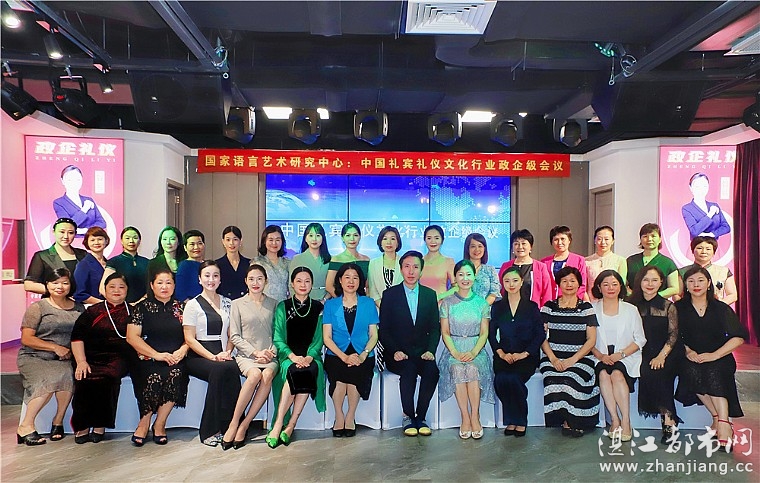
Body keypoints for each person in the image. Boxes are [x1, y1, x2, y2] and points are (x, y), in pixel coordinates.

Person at [675, 267, 747, 452]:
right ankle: (719, 419)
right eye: (691, 281)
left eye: (700, 280)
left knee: (714, 370)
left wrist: (715, 355)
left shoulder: (720, 308)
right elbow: (673, 335)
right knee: (690, 370)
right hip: (691, 355)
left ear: (709, 283)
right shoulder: (678, 308)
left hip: (719, 355)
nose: (696, 284)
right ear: (685, 285)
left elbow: (738, 337)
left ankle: (722, 423)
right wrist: (688, 351)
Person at [16, 268, 85, 445]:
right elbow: (26, 338)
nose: (60, 287)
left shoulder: (78, 308)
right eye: (55, 283)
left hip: (64, 359)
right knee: (49, 378)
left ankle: (58, 422)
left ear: (71, 285)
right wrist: (54, 347)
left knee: (69, 376)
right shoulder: (38, 307)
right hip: (34, 356)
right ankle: (25, 426)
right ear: (47, 285)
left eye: (64, 283)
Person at [379, 250, 440, 437]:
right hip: (398, 354)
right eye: (407, 266)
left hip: (422, 352)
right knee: (409, 370)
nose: (411, 271)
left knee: (432, 371)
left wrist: (430, 350)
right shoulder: (390, 295)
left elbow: (435, 327)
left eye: (415, 267)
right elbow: (384, 330)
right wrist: (395, 350)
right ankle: (408, 416)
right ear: (401, 269)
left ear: (421, 271)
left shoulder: (430, 295)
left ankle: (420, 417)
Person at [126, 268, 189, 446]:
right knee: (154, 375)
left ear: (174, 285)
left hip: (175, 357)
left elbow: (191, 336)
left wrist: (183, 350)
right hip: (148, 356)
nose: (164, 286)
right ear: (152, 285)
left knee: (175, 373)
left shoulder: (182, 308)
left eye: (168, 282)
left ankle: (160, 424)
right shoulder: (141, 307)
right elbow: (132, 337)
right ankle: (144, 422)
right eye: (160, 283)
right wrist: (156, 355)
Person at [182, 260, 241, 446]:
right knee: (219, 369)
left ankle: (232, 426)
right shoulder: (192, 305)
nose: (211, 279)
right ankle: (210, 430)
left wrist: (228, 352)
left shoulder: (228, 303)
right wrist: (212, 357)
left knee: (231, 367)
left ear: (220, 279)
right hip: (199, 356)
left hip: (223, 353)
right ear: (199, 279)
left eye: (215, 276)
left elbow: (232, 334)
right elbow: (189, 339)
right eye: (207, 276)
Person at [266, 267, 325, 449]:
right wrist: (292, 356)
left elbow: (319, 338)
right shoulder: (283, 307)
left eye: (307, 281)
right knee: (293, 373)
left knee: (308, 371)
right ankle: (278, 424)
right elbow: (277, 337)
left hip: (311, 357)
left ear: (312, 284)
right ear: (292, 284)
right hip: (288, 357)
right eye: (299, 281)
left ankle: (291, 425)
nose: (303, 285)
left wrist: (309, 357)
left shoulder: (318, 307)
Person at [70, 272, 133, 444]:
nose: (116, 290)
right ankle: (82, 425)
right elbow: (77, 337)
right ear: (104, 290)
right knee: (84, 378)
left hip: (118, 357)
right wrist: (81, 361)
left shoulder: (133, 311)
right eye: (112, 287)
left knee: (108, 377)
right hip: (89, 356)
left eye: (121, 287)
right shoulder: (92, 311)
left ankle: (99, 425)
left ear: (127, 290)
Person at [223, 264, 278, 450]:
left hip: (270, 355)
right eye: (252, 279)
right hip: (247, 355)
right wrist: (255, 353)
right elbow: (235, 336)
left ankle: (244, 425)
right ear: (245, 281)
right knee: (254, 375)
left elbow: (279, 334)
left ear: (266, 281)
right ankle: (234, 423)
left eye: (260, 279)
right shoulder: (237, 304)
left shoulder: (274, 303)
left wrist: (269, 353)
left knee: (267, 375)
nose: (256, 283)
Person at [540, 266, 599, 437]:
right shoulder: (549, 306)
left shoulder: (586, 307)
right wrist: (553, 359)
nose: (569, 284)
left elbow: (591, 340)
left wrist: (572, 360)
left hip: (580, 357)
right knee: (553, 378)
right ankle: (562, 420)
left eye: (572, 281)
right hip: (553, 356)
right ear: (558, 284)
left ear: (579, 284)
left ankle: (575, 421)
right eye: (564, 281)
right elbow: (541, 336)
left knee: (571, 378)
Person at [437, 259, 493, 439]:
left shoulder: (481, 303)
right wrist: (455, 352)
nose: (465, 278)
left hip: (476, 349)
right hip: (453, 349)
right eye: (461, 274)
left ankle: (475, 416)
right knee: (457, 369)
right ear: (455, 278)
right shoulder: (447, 303)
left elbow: (484, 333)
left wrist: (473, 352)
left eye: (468, 274)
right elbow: (445, 332)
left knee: (472, 368)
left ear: (474, 277)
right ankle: (465, 417)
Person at [589, 270, 646, 442]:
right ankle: (615, 419)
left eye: (614, 284)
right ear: (599, 287)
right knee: (603, 374)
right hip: (599, 355)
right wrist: (600, 355)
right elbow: (587, 339)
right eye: (606, 284)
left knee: (616, 374)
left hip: (626, 355)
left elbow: (640, 339)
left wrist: (620, 355)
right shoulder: (591, 308)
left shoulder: (630, 309)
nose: (610, 288)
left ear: (620, 286)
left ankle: (626, 421)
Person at [323, 263, 379, 437]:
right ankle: (339, 416)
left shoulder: (368, 303)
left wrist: (363, 355)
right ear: (340, 280)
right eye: (347, 277)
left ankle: (350, 416)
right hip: (336, 354)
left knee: (355, 375)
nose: (351, 281)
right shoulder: (331, 305)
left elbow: (374, 335)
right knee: (339, 379)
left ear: (360, 281)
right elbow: (327, 338)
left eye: (355, 278)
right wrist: (344, 357)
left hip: (363, 353)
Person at [627, 266, 682, 444]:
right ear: (639, 282)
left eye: (654, 280)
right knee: (645, 368)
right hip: (639, 351)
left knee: (660, 371)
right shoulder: (630, 305)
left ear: (661, 283)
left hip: (666, 351)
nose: (650, 284)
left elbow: (673, 335)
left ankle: (669, 419)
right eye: (646, 280)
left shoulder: (668, 306)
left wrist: (661, 356)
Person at [489, 266, 544, 437]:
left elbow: (539, 334)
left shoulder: (532, 307)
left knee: (513, 378)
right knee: (501, 379)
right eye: (507, 281)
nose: (511, 284)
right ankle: (512, 420)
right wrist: (501, 353)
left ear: (521, 282)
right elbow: (491, 334)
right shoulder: (498, 307)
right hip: (503, 355)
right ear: (502, 284)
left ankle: (519, 420)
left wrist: (524, 354)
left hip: (526, 356)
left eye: (515, 280)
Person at [24, 217, 86, 295]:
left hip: (80, 301)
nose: (66, 236)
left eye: (70, 233)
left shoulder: (83, 254)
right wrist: (57, 291)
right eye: (62, 232)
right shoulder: (42, 256)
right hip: (55, 301)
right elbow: (29, 285)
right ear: (54, 232)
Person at [498, 229, 552, 307]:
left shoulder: (541, 267)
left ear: (531, 247)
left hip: (533, 311)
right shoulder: (505, 266)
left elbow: (547, 293)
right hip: (508, 310)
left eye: (523, 243)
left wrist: (544, 311)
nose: (520, 247)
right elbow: (500, 289)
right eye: (516, 244)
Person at [677, 236, 737, 305]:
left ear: (714, 252)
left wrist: (719, 306)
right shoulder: (682, 271)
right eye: (699, 248)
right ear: (692, 250)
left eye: (708, 249)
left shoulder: (724, 271)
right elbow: (677, 294)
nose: (704, 252)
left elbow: (732, 295)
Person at [625, 223, 680, 298]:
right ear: (640, 239)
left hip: (658, 303)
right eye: (645, 236)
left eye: (653, 236)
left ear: (660, 239)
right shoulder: (631, 260)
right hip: (633, 302)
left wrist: (654, 297)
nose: (649, 239)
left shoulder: (668, 263)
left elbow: (674, 288)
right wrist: (633, 295)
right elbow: (623, 284)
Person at [52, 165, 106, 235]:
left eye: (78, 179)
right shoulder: (59, 203)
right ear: (62, 181)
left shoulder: (89, 200)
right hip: (73, 240)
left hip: (92, 239)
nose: (74, 183)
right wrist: (84, 209)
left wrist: (86, 230)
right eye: (69, 180)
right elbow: (68, 226)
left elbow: (102, 222)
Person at [101, 226, 149, 304]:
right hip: (121, 306)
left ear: (140, 241)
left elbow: (153, 287)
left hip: (144, 305)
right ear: (121, 241)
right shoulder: (114, 262)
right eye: (127, 238)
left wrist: (140, 302)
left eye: (135, 238)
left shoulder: (147, 262)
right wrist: (119, 303)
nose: (131, 241)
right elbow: (102, 288)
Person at [541, 225, 589, 301]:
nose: (559, 242)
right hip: (549, 302)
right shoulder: (544, 262)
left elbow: (582, 285)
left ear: (569, 240)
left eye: (563, 239)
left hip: (571, 302)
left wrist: (574, 300)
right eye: (556, 240)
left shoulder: (579, 260)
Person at [681, 173, 730, 241]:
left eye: (704, 186)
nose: (701, 189)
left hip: (713, 245)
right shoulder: (687, 208)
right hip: (698, 245)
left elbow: (726, 227)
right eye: (697, 186)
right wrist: (710, 214)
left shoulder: (714, 205)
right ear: (691, 188)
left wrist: (712, 234)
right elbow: (694, 231)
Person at [290, 223, 331, 302]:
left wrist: (324, 300)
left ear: (323, 238)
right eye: (311, 235)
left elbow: (333, 286)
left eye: (318, 235)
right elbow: (291, 285)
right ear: (305, 238)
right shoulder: (297, 259)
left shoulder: (330, 260)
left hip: (325, 302)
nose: (314, 239)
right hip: (302, 302)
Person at [326, 223, 370, 297]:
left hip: (362, 300)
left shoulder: (366, 260)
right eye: (348, 235)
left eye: (355, 235)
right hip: (341, 301)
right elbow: (329, 286)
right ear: (342, 238)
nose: (352, 239)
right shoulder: (336, 259)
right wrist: (343, 301)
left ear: (360, 237)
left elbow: (368, 286)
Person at [585, 226, 628, 301]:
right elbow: (584, 287)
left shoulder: (620, 260)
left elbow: (621, 285)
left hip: (613, 302)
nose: (603, 242)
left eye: (606, 239)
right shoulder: (586, 261)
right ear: (594, 241)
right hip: (591, 302)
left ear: (613, 241)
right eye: (599, 239)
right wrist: (587, 303)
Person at [368, 225, 403, 308]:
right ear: (380, 242)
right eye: (385, 239)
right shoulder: (373, 263)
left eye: (393, 239)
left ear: (398, 243)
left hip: (402, 308)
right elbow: (373, 291)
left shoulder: (404, 263)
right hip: (379, 309)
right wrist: (384, 308)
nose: (389, 242)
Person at [72, 226, 110, 304]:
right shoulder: (83, 265)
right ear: (87, 243)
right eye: (92, 240)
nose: (96, 242)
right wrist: (103, 304)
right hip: (92, 307)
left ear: (106, 241)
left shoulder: (110, 264)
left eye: (100, 239)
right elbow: (79, 294)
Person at [254, 225, 291, 302]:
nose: (274, 243)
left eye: (278, 240)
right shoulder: (257, 262)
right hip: (263, 305)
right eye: (271, 240)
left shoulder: (287, 263)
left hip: (282, 306)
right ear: (264, 241)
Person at [419, 225, 456, 300]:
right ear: (425, 240)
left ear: (442, 240)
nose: (433, 241)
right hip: (422, 303)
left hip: (441, 304)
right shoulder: (419, 262)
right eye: (429, 238)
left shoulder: (449, 262)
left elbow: (456, 287)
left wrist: (439, 297)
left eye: (436, 238)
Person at [463, 232, 500, 305]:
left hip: (485, 309)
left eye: (480, 246)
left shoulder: (490, 270)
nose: (477, 249)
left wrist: (482, 307)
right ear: (467, 248)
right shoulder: (461, 269)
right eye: (473, 246)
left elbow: (494, 293)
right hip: (463, 309)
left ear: (484, 249)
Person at [216, 226, 251, 300]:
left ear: (240, 241)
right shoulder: (217, 265)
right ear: (223, 242)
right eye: (228, 240)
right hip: (224, 303)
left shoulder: (249, 264)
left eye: (235, 239)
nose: (231, 243)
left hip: (245, 303)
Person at [175, 229, 206, 302]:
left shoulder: (208, 265)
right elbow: (180, 292)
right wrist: (193, 306)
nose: (196, 247)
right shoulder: (184, 266)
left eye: (199, 243)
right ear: (185, 248)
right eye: (192, 244)